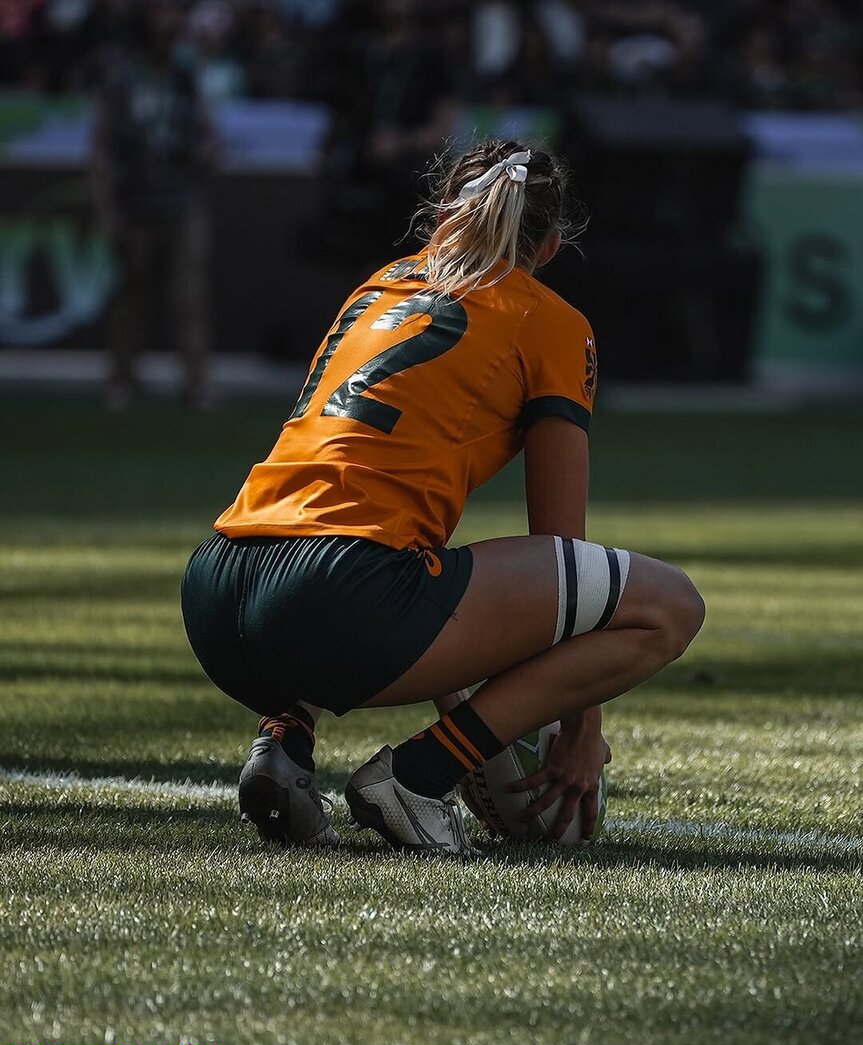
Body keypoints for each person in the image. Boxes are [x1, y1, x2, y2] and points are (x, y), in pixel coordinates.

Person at [181, 139, 705, 854]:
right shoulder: (550, 321)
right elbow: (561, 546)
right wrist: (581, 725)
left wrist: (461, 689)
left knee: (392, 568)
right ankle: (417, 777)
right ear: (550, 247)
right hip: (336, 593)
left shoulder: (377, 286)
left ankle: (284, 741)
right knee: (669, 606)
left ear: (440, 219)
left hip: (215, 592)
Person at [92, 0, 215, 411]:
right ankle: (121, 380)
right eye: (160, 16)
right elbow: (102, 146)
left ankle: (197, 385)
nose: (169, 24)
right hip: (135, 202)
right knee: (130, 296)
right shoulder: (122, 78)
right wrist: (107, 207)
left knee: (189, 298)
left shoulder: (184, 77)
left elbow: (207, 130)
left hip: (183, 201)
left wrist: (206, 148)